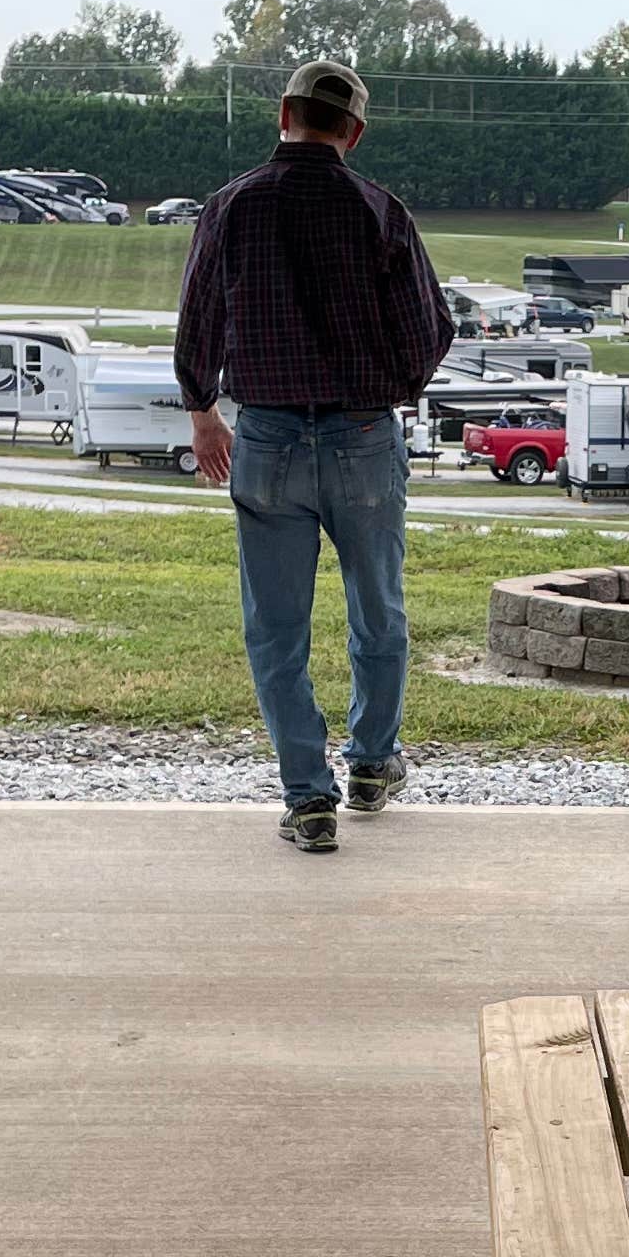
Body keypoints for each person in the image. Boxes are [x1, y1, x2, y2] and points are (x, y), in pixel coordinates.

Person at [174, 58, 456, 854]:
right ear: (354, 132)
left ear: (284, 115)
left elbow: (199, 319)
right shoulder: (379, 209)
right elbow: (431, 329)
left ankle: (308, 798)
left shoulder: (230, 206)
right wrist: (391, 387)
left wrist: (204, 414)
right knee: (379, 610)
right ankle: (371, 764)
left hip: (263, 437)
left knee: (275, 630)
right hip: (364, 437)